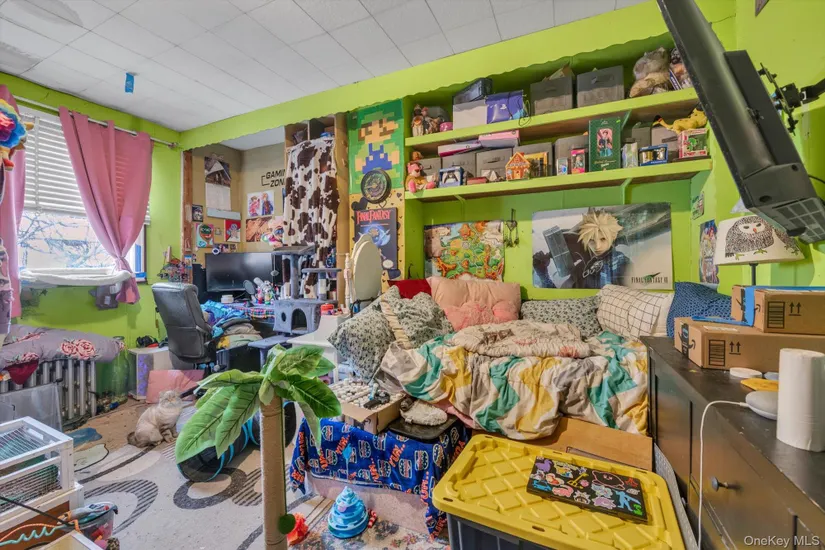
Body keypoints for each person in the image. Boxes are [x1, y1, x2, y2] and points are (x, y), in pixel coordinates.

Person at [576, 209, 631, 288]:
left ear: (613, 237)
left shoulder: (622, 262)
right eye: (591, 240)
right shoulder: (590, 264)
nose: (597, 246)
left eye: (603, 239)